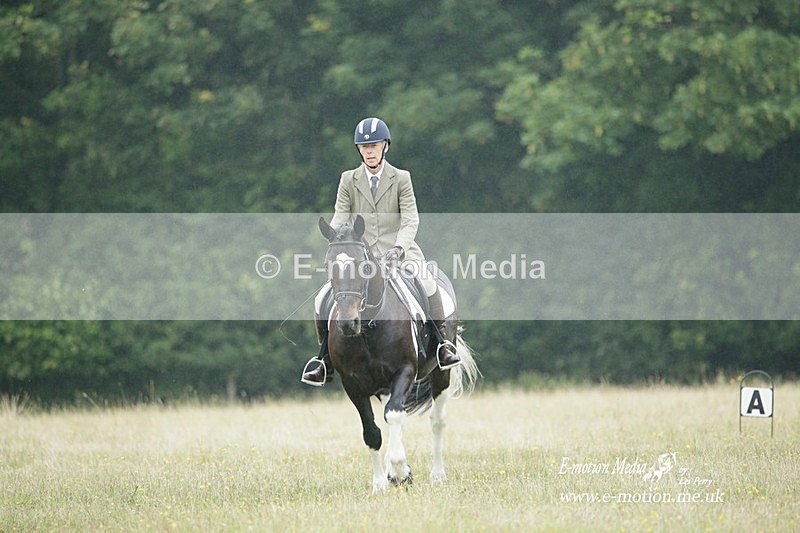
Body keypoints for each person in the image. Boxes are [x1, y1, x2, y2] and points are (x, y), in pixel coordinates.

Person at [301, 117, 461, 386]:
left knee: (428, 282)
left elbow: (410, 219)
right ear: (359, 150)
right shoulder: (348, 180)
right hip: (361, 257)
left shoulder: (401, 178)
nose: (370, 151)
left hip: (400, 252)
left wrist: (399, 247)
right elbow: (341, 215)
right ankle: (324, 360)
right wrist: (336, 238)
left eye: (374, 145)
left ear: (385, 146)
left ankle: (442, 344)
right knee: (322, 298)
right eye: (364, 147)